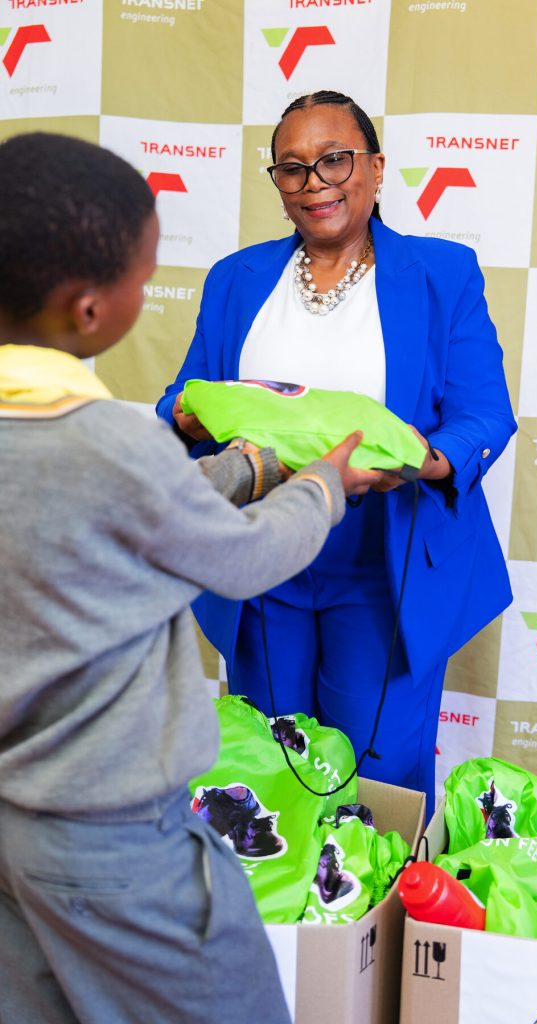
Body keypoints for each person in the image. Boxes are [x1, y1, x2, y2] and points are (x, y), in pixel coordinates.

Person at [0, 132, 380, 1024]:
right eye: (145, 273)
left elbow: (96, 513)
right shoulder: (111, 443)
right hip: (119, 841)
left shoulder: (68, 444)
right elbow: (241, 558)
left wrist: (244, 466)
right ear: (91, 311)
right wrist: (325, 484)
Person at [157, 90, 517, 818]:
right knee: (267, 765)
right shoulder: (236, 279)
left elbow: (483, 413)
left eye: (334, 160)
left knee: (375, 778)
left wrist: (418, 460)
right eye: (291, 168)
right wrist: (187, 416)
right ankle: (288, 925)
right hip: (261, 551)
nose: (313, 181)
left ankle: (368, 927)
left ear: (375, 168)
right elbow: (181, 397)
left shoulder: (441, 273)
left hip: (381, 556)